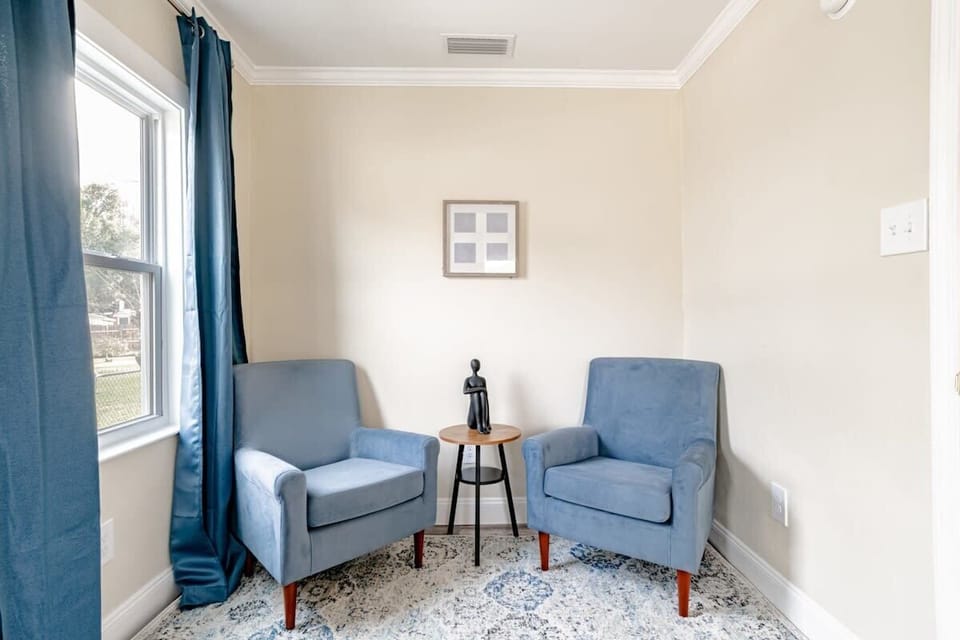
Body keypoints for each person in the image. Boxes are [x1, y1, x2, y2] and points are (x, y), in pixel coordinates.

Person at [463, 358, 490, 433]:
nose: (476, 366)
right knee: (476, 394)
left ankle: (483, 423)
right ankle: (479, 425)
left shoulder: (482, 379)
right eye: (475, 364)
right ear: (471, 366)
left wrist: (488, 422)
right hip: (473, 419)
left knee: (482, 394)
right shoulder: (468, 379)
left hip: (483, 418)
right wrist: (480, 388)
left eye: (478, 364)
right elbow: (465, 391)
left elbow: (486, 399)